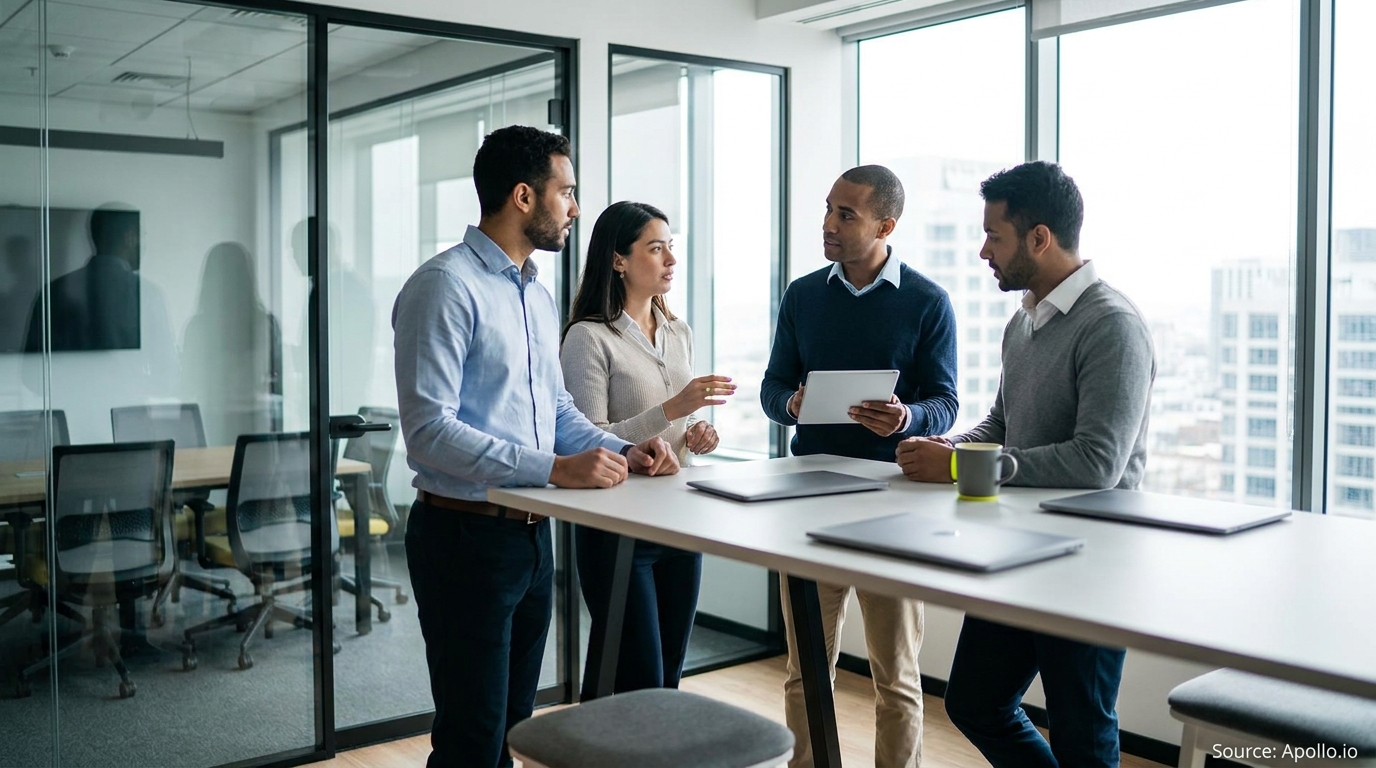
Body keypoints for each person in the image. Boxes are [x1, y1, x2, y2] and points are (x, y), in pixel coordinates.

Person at [392, 126, 680, 768]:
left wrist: (621, 451)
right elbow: (429, 430)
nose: (575, 208)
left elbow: (554, 410)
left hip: (529, 538)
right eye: (566, 192)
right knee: (472, 735)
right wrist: (553, 467)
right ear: (524, 196)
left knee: (513, 728)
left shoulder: (535, 293)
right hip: (463, 539)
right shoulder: (445, 286)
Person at [895, 160, 1155, 768]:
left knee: (1083, 733)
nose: (983, 250)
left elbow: (1098, 463)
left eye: (995, 236)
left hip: (1090, 562)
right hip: (1020, 550)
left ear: (1039, 237)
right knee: (976, 701)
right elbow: (1004, 426)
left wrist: (960, 471)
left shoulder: (1112, 325)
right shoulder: (1023, 321)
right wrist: (947, 450)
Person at [761, 164, 959, 768]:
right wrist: (791, 404)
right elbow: (772, 389)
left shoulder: (928, 302)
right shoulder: (802, 295)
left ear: (885, 224)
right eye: (828, 209)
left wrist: (906, 419)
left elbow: (945, 403)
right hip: (807, 502)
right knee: (805, 671)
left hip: (891, 507)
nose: (828, 224)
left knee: (895, 677)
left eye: (846, 214)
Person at [560, 201, 734, 699]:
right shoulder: (587, 337)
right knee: (636, 672)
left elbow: (682, 421)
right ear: (618, 260)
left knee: (667, 677)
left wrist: (700, 430)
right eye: (655, 249)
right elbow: (586, 433)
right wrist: (674, 407)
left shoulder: (679, 332)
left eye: (670, 248)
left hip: (679, 519)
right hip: (616, 528)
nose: (670, 260)